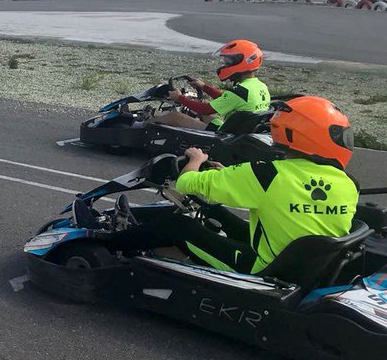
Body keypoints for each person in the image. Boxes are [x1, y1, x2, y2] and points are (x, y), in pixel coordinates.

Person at [115, 96, 357, 274]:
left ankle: (108, 245)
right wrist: (229, 176)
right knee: (212, 209)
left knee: (177, 225)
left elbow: (187, 183)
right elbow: (285, 201)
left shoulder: (267, 174)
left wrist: (196, 160)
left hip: (264, 268)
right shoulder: (347, 183)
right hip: (303, 264)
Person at [150, 39, 271, 130]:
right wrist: (204, 87)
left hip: (226, 134)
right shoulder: (259, 86)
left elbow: (207, 110)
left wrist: (179, 98)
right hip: (241, 130)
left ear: (241, 62)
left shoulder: (241, 92)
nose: (225, 65)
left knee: (175, 116)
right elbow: (227, 98)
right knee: (202, 103)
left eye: (228, 61)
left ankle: (142, 125)